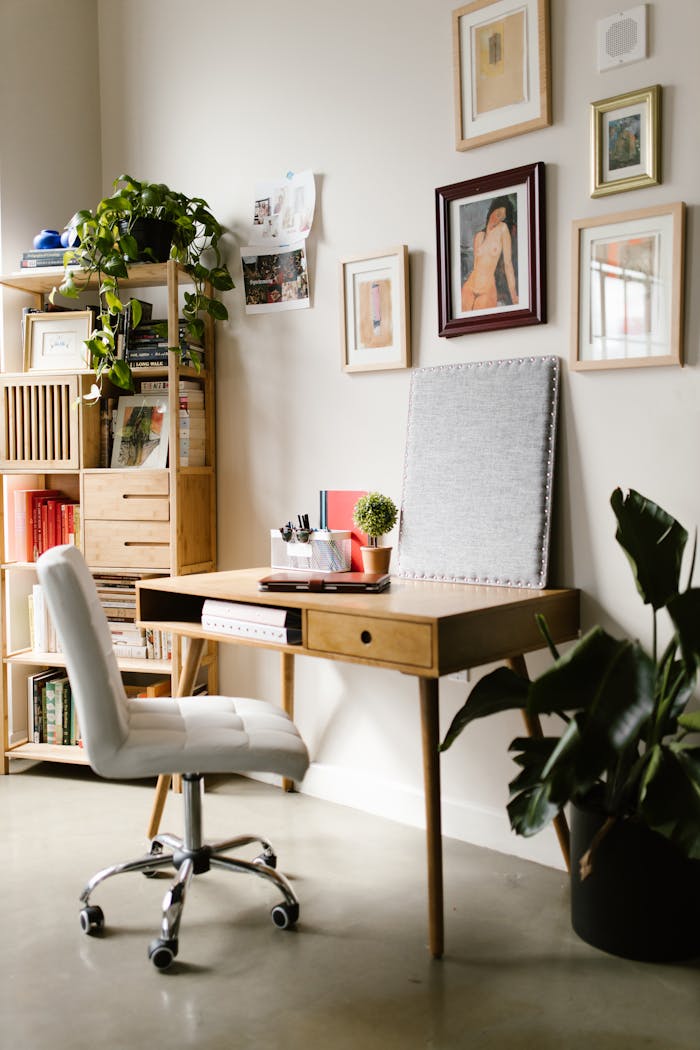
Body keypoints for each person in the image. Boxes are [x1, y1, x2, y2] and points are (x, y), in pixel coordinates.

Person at [461, 196, 518, 312]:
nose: (498, 220)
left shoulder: (502, 230)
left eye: (502, 218)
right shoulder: (478, 236)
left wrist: (514, 296)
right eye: (498, 214)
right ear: (492, 210)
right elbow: (477, 267)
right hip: (470, 286)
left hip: (487, 289)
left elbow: (508, 264)